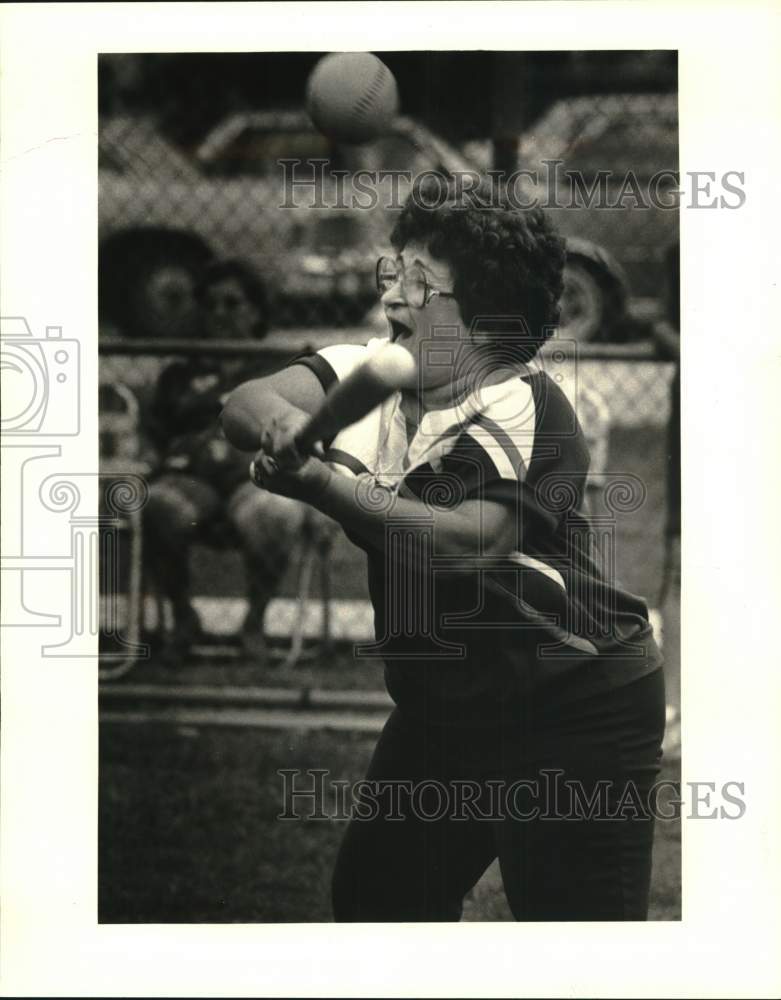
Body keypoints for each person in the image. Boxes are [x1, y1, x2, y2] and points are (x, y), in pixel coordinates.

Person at [223, 176, 666, 921]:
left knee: (577, 951)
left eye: (421, 284)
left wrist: (328, 488)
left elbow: (465, 547)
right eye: (391, 271)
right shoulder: (371, 368)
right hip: (448, 707)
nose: (393, 297)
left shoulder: (521, 402)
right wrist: (278, 430)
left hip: (573, 704)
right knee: (379, 901)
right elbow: (242, 403)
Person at [144, 258, 312, 664]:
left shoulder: (282, 369)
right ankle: (184, 618)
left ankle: (254, 622)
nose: (219, 313)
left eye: (232, 304)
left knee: (273, 512)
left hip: (254, 479)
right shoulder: (180, 373)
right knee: (156, 505)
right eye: (211, 304)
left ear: (255, 312)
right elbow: (153, 440)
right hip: (191, 481)